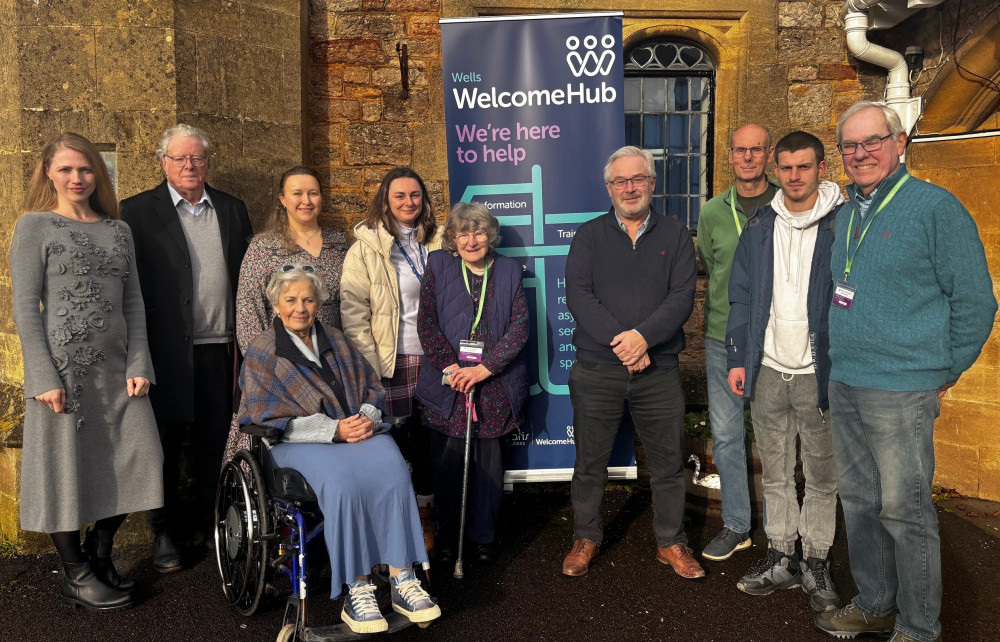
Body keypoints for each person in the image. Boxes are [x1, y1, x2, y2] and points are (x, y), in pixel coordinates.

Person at [814, 101, 996, 642]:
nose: (861, 153)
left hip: (903, 388)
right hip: (846, 379)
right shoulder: (846, 215)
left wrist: (946, 368)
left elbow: (976, 302)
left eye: (873, 141)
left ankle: (918, 627)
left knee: (906, 511)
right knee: (861, 504)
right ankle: (875, 603)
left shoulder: (935, 208)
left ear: (900, 144)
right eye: (850, 146)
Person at [238, 267, 440, 634]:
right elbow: (264, 417)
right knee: (344, 483)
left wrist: (365, 416)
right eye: (291, 300)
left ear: (318, 303)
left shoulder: (336, 338)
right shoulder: (263, 350)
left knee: (393, 469)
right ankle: (357, 589)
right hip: (299, 442)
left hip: (353, 431)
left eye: (308, 299)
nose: (300, 307)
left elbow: (372, 389)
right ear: (276, 304)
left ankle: (402, 577)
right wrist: (333, 429)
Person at [10, 132, 164, 611]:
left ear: (98, 173)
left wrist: (140, 361)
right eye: (66, 169)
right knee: (63, 469)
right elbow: (24, 307)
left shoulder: (118, 230)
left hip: (119, 373)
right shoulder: (34, 226)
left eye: (85, 169)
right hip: (64, 374)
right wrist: (42, 377)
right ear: (49, 174)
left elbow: (135, 302)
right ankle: (76, 573)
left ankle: (100, 552)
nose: (77, 178)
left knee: (141, 459)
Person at [562, 146, 701, 579]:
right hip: (598, 369)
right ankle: (585, 537)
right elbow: (579, 294)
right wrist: (623, 343)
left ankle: (671, 542)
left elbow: (682, 297)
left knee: (667, 463)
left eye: (638, 178)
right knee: (589, 463)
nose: (629, 187)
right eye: (620, 181)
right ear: (609, 188)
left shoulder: (676, 235)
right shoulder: (589, 236)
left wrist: (643, 339)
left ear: (652, 183)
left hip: (657, 370)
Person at [120, 124, 253, 573]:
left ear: (207, 162)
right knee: (164, 444)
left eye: (197, 158)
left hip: (222, 350)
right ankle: (163, 533)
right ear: (163, 163)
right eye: (179, 159)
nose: (189, 166)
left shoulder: (233, 210)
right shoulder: (135, 212)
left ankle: (210, 522)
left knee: (219, 439)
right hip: (164, 352)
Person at [726, 131, 843, 612]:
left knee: (821, 473)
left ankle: (816, 559)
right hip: (769, 368)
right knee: (774, 471)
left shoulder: (843, 225)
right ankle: (781, 555)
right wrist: (738, 357)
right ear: (777, 170)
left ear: (820, 168)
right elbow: (741, 296)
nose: (795, 177)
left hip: (819, 369)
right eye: (787, 168)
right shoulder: (758, 228)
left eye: (804, 167)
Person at [414, 201, 529, 566]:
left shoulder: (510, 270)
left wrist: (485, 369)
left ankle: (482, 538)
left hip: (493, 385)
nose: (471, 240)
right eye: (463, 232)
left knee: (490, 468)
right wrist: (451, 367)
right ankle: (448, 537)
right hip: (449, 384)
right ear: (453, 237)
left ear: (490, 236)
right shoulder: (439, 265)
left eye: (479, 232)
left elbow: (519, 328)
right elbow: (427, 324)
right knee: (447, 466)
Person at [341, 167, 442, 551]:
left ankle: (426, 515)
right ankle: (392, 525)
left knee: (429, 440)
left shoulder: (436, 243)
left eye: (415, 195)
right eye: (399, 196)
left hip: (434, 359)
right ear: (385, 200)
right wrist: (371, 369)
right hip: (391, 361)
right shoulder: (364, 249)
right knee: (393, 443)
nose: (408, 203)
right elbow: (354, 314)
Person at [223, 166, 350, 461]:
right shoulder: (264, 248)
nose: (306, 200)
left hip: (329, 363)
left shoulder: (339, 245)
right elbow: (247, 312)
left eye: (313, 193)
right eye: (297, 193)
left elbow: (352, 306)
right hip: (279, 367)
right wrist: (268, 365)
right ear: (282, 199)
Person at [696, 123, 777, 562]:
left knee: (777, 433)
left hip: (778, 339)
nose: (747, 157)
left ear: (768, 155)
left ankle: (785, 532)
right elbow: (712, 267)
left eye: (756, 150)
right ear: (729, 156)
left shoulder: (787, 204)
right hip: (721, 338)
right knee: (727, 434)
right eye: (740, 150)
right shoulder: (711, 212)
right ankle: (737, 526)